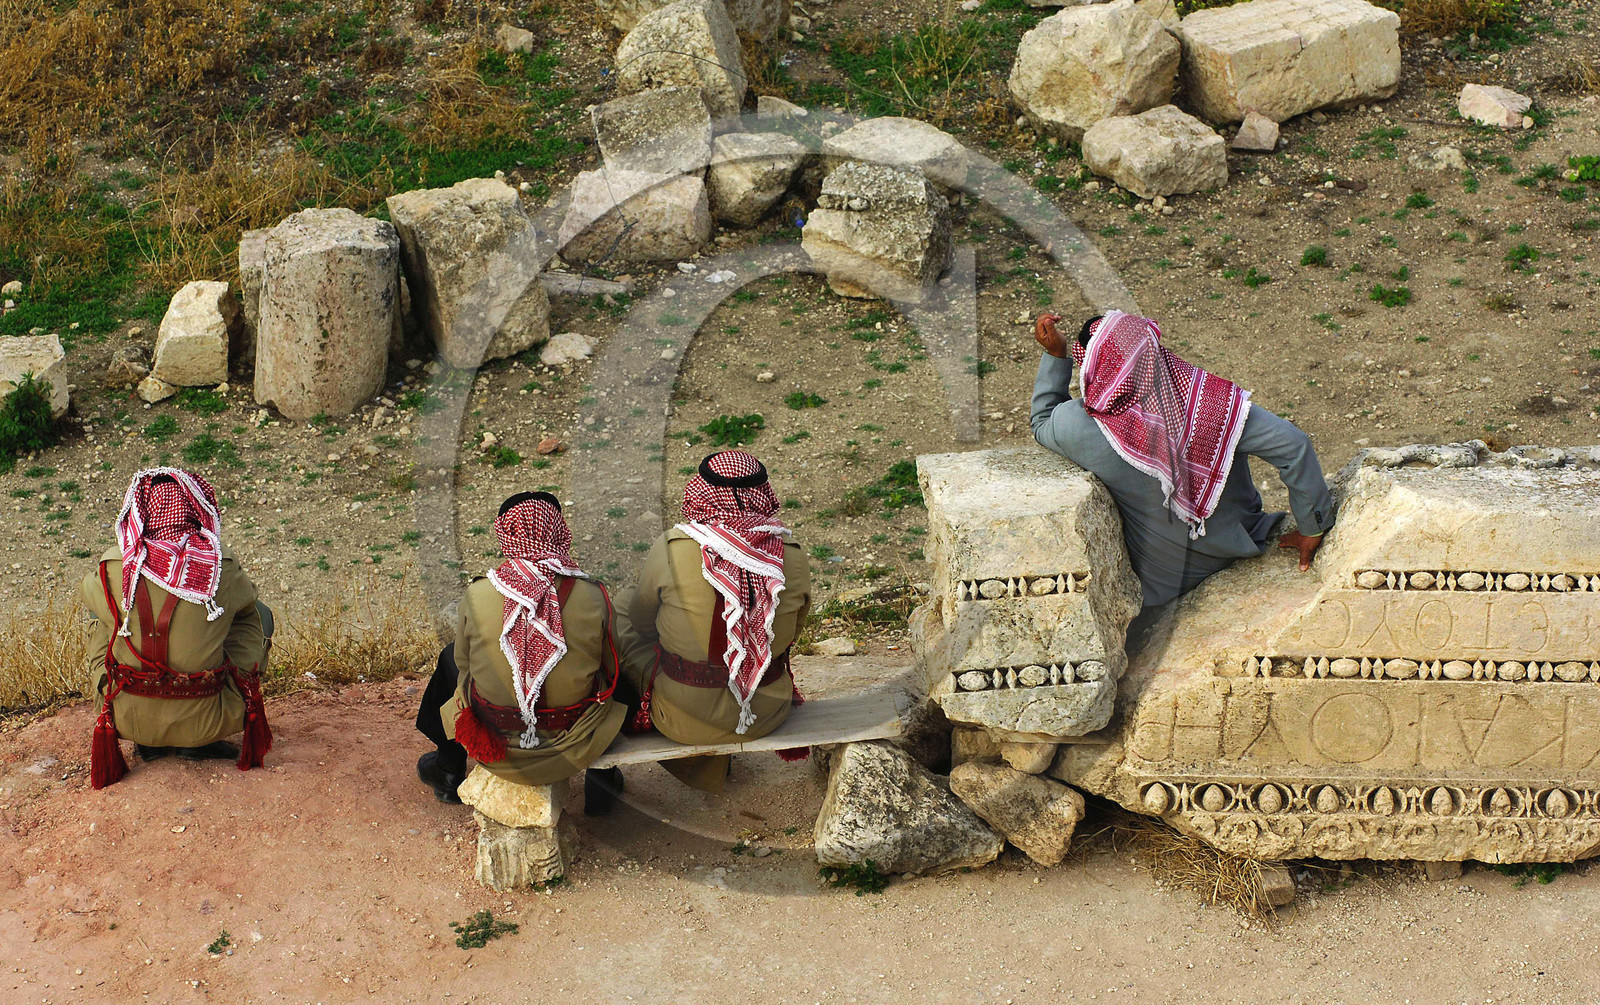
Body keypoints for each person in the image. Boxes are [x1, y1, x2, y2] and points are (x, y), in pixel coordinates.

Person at [1031, 310, 1335, 607]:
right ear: (1151, 352)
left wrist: (1056, 354)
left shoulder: (1073, 425)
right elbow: (1293, 446)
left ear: (1089, 363)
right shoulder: (1207, 403)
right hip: (1244, 540)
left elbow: (1041, 419)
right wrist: (1312, 527)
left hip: (1164, 581)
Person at [414, 492, 627, 813]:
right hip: (574, 743)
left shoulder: (478, 593)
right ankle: (602, 785)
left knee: (449, 659)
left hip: (498, 746)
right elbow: (612, 668)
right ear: (559, 531)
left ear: (505, 534)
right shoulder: (593, 595)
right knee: (614, 674)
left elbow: (463, 665)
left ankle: (448, 770)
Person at [616, 450, 811, 793]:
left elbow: (641, 624)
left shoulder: (673, 548)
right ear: (763, 492)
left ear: (701, 492)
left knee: (618, 608)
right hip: (767, 712)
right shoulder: (791, 554)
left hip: (684, 719)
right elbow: (794, 631)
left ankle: (637, 746)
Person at [81, 468, 272, 789]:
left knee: (102, 615)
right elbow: (249, 599)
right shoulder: (220, 565)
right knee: (258, 614)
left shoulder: (112, 566)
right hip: (211, 720)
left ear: (137, 510)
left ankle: (151, 736)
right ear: (196, 509)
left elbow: (85, 592)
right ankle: (201, 736)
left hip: (127, 720)